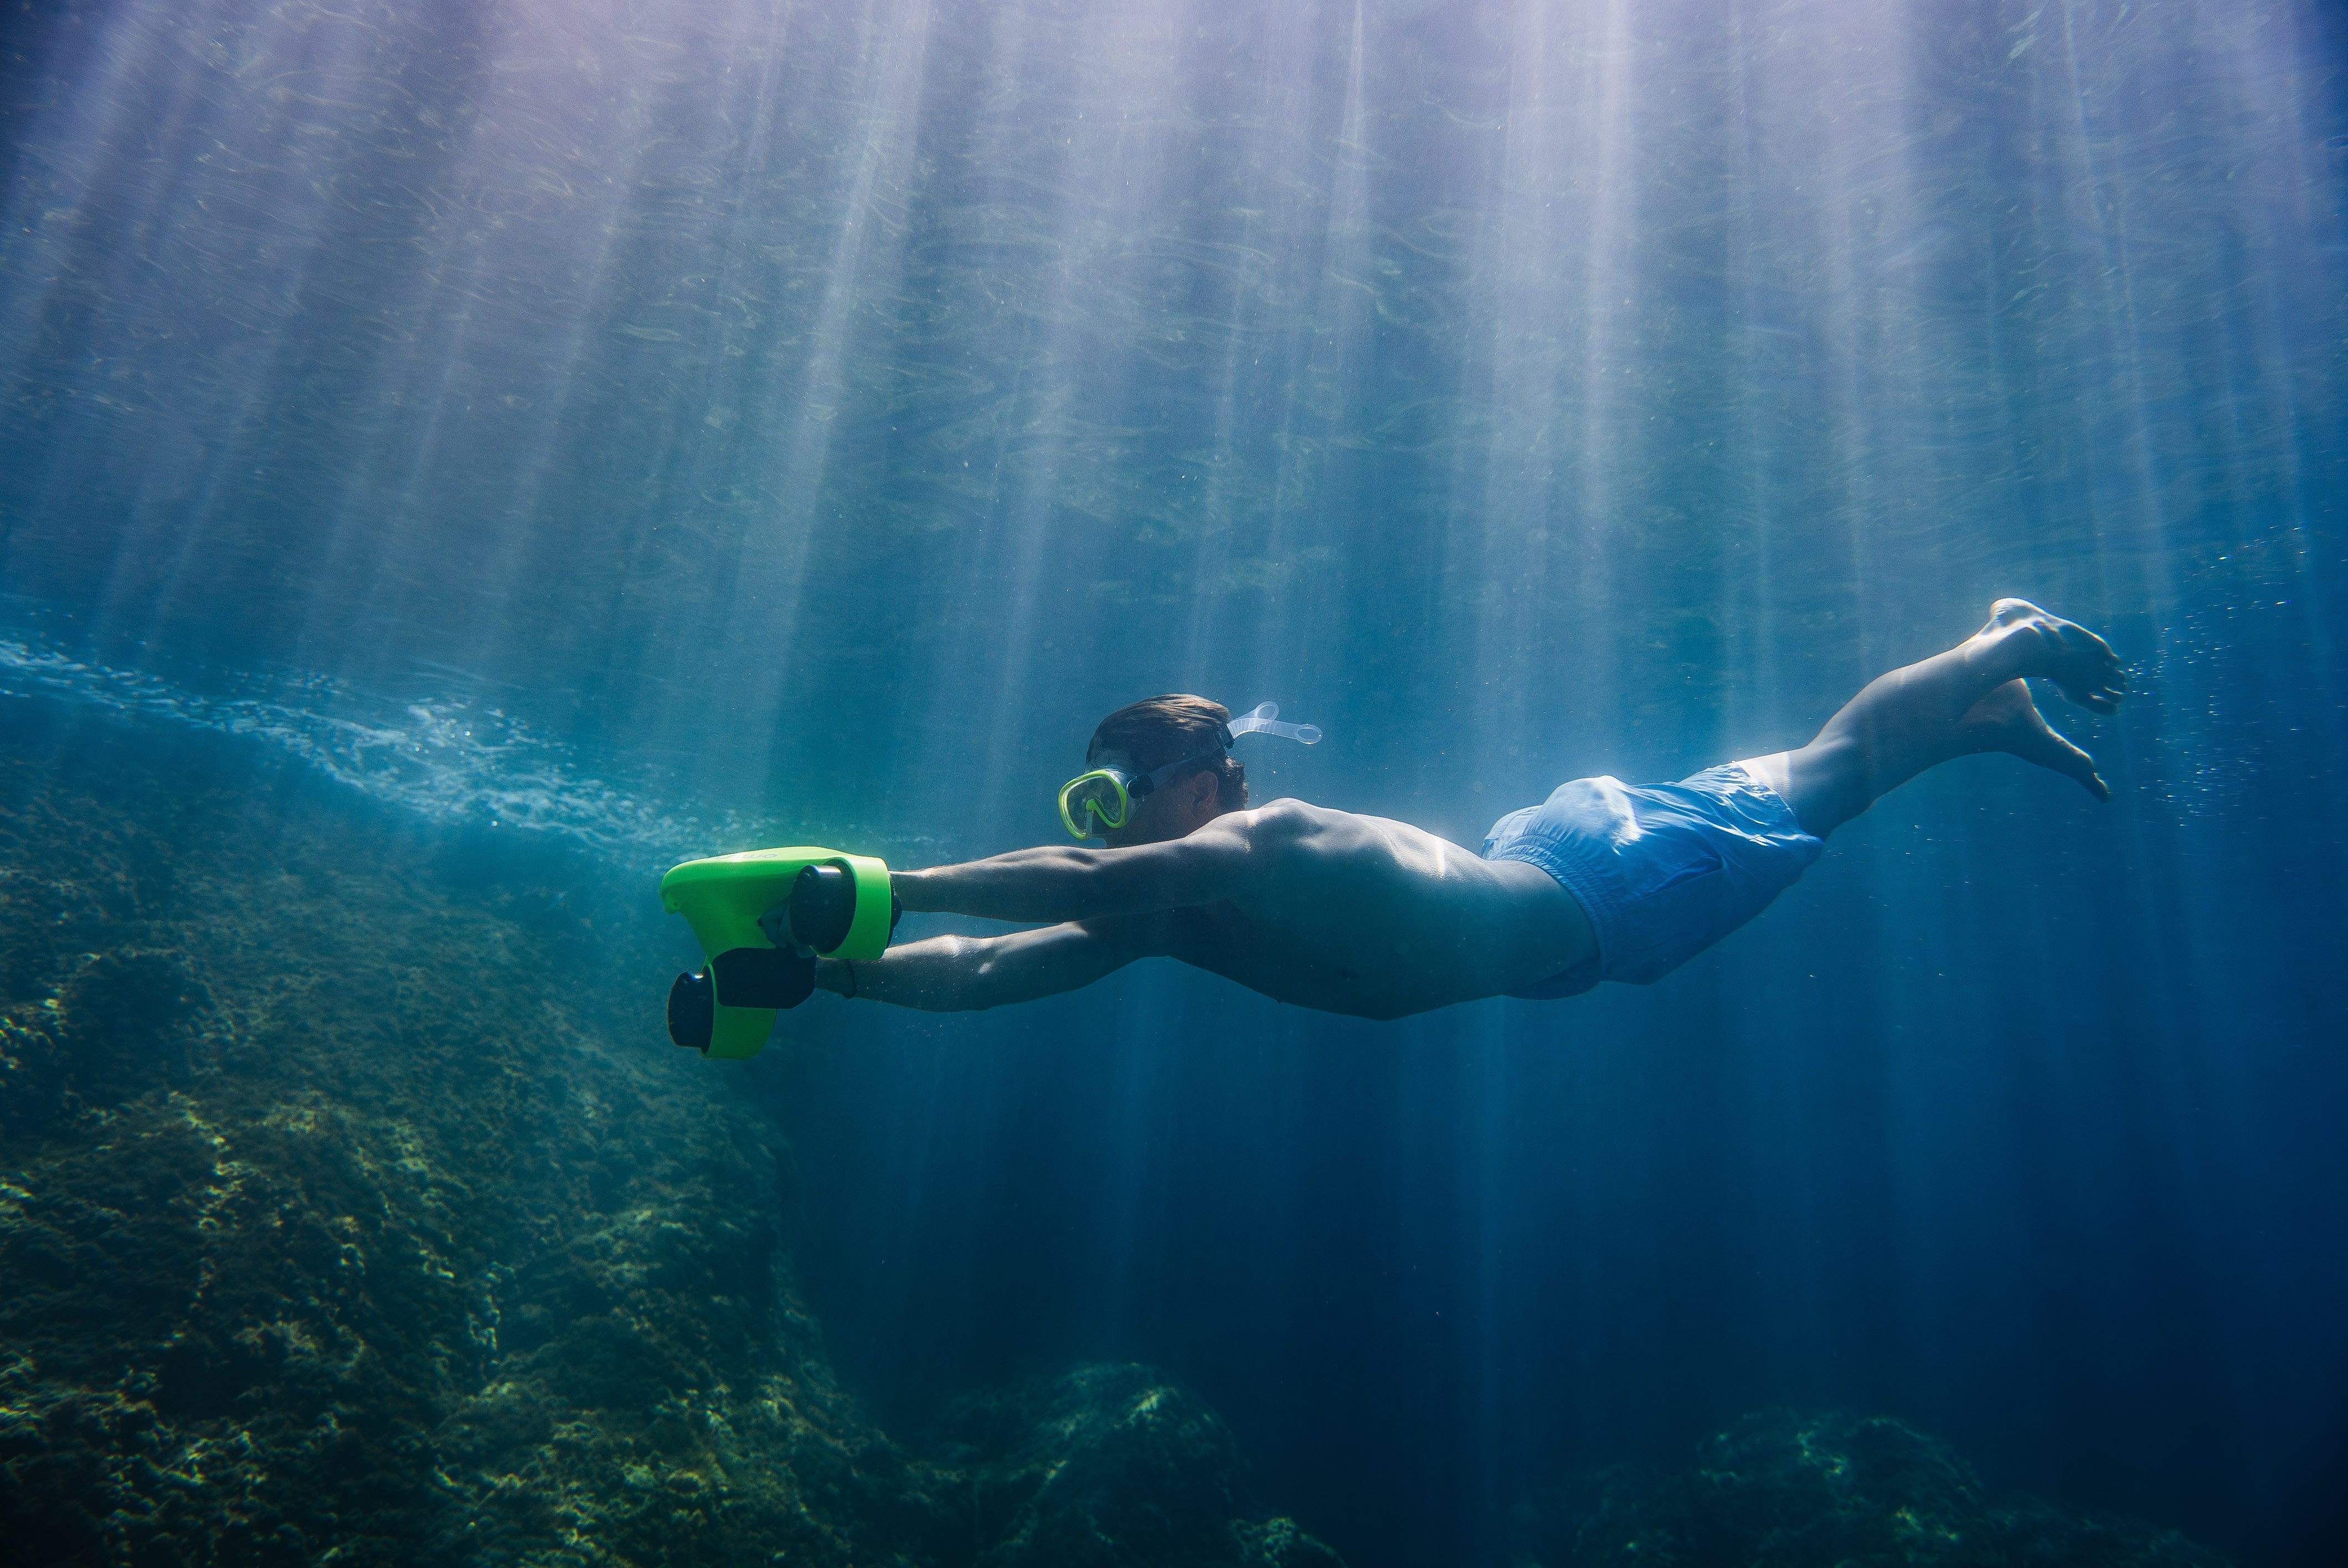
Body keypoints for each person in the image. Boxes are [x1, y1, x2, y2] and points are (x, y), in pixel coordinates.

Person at [810, 600, 2126, 1021]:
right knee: (1809, 791)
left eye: (1112, 797)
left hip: (1604, 885)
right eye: (1082, 798)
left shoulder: (1268, 842)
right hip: (1535, 876)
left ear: (1205, 787)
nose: (1097, 826)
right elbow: (986, 967)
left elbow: (1080, 886)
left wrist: (876, 882)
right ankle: (1983, 727)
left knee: (1828, 775)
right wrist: (834, 969)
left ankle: (1991, 650)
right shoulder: (1179, 911)